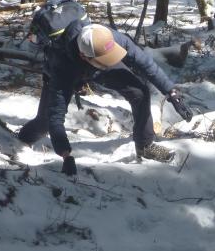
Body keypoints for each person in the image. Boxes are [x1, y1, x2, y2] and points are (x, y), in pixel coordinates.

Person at [18, 14, 193, 176]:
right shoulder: (62, 67)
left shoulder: (107, 37)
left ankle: (145, 146)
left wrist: (171, 91)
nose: (111, 61)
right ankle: (21, 140)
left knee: (140, 92)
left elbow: (145, 63)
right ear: (84, 56)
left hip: (96, 61)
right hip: (71, 69)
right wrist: (66, 155)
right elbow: (56, 116)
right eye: (106, 60)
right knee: (45, 122)